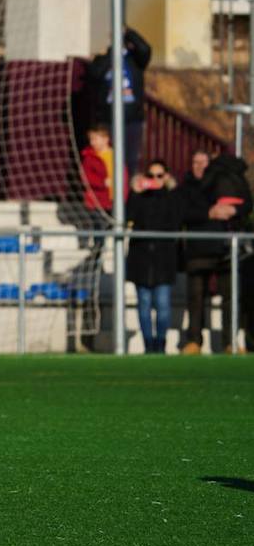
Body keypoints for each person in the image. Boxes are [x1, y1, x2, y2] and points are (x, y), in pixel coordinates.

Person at [178, 149, 250, 354]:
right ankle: (194, 342)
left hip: (225, 249)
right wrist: (209, 213)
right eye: (195, 162)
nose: (199, 166)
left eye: (203, 162)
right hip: (198, 250)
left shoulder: (225, 183)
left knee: (230, 296)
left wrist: (234, 211)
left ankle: (230, 342)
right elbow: (182, 213)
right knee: (196, 297)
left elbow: (246, 204)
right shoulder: (187, 188)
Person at [126, 160, 186, 354]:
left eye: (159, 176)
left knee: (162, 305)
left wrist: (168, 192)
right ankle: (148, 345)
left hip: (163, 260)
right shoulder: (139, 197)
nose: (155, 180)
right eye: (151, 176)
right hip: (141, 260)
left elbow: (176, 221)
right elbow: (128, 215)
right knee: (143, 305)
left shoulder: (173, 197)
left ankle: (160, 344)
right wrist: (134, 192)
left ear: (166, 176)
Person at [83, 26, 151, 178]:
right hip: (109, 120)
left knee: (130, 159)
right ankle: (108, 193)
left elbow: (145, 49)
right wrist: (113, 51)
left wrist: (128, 33)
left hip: (131, 119)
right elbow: (96, 73)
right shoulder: (103, 59)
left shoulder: (135, 59)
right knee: (107, 157)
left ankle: (126, 195)